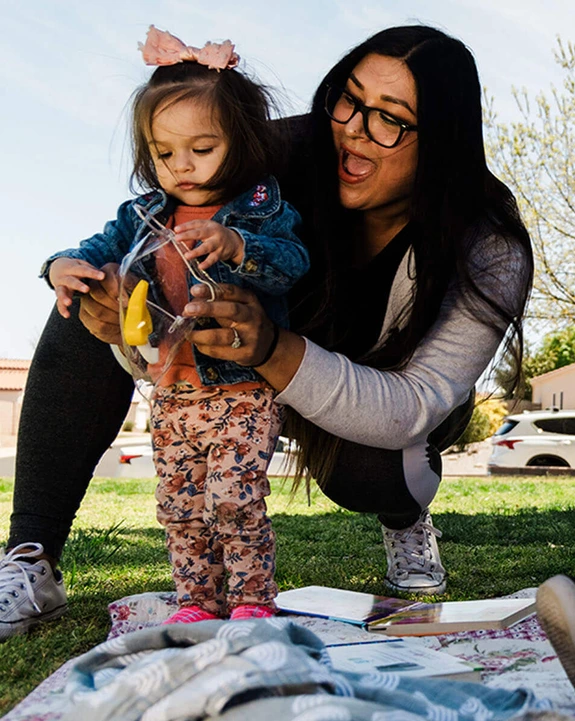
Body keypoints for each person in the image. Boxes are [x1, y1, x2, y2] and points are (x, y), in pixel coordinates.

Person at [2, 25, 532, 639]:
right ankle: (31, 557)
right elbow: (154, 220)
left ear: (443, 142)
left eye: (392, 120)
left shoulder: (487, 242)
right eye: (349, 99)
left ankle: (403, 514)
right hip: (232, 371)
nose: (354, 130)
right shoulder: (273, 153)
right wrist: (110, 304)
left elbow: (412, 404)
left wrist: (273, 349)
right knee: (91, 293)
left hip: (371, 388)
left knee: (370, 472)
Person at [3, 25, 310, 631]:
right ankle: (195, 597)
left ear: (240, 142)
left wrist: (239, 245)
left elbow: (292, 265)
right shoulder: (142, 214)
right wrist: (59, 267)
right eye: (165, 153)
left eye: (202, 148)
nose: (182, 166)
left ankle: (251, 598)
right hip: (172, 391)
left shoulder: (262, 209)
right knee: (180, 505)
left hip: (241, 390)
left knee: (236, 500)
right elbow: (91, 250)